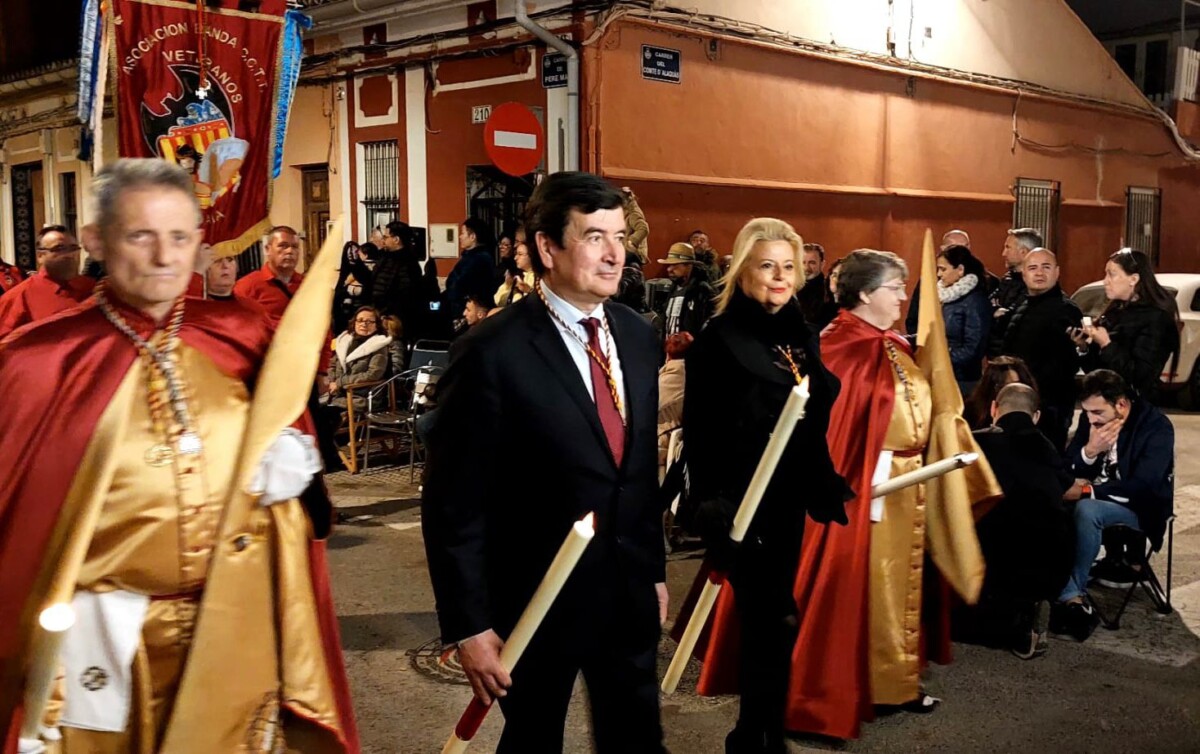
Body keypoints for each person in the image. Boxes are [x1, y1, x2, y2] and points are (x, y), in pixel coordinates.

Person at [0, 158, 357, 752]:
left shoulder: (240, 336)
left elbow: (300, 480)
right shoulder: (38, 360)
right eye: (142, 235)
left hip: (232, 620)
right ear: (98, 241)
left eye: (180, 237)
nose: (166, 257)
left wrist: (296, 477)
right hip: (100, 641)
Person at [422, 171, 667, 754]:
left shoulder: (637, 336)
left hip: (626, 592)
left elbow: (635, 472)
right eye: (593, 237)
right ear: (547, 247)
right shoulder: (491, 350)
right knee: (533, 743)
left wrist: (653, 569)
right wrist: (470, 625)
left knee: (637, 740)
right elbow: (454, 501)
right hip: (534, 599)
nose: (614, 255)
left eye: (618, 236)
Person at [785, 249, 995, 739]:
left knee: (902, 588)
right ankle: (836, 689)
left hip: (909, 487)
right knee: (862, 586)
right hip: (866, 491)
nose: (905, 296)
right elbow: (835, 433)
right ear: (864, 294)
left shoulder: (891, 343)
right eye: (894, 288)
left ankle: (894, 681)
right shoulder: (839, 347)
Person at [678, 218, 850, 754]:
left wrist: (821, 478)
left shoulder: (798, 330)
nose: (779, 277)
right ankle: (757, 736)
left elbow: (812, 414)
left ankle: (759, 730)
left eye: (788, 267)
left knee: (773, 621)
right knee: (771, 618)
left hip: (785, 499)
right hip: (740, 502)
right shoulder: (720, 340)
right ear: (743, 270)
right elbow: (700, 429)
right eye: (766, 265)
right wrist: (711, 504)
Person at [1053, 369, 1174, 641]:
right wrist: (1090, 451)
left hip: (1139, 507)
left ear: (1121, 404)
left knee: (1086, 509)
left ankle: (1073, 591)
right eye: (1086, 413)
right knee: (1049, 503)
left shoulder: (1155, 427)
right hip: (1098, 494)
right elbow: (1066, 466)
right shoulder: (1092, 423)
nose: (1090, 420)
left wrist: (1088, 490)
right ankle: (1062, 589)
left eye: (1097, 413)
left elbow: (1146, 486)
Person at [967, 383, 1074, 659]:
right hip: (1046, 562)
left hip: (987, 561)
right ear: (1036, 416)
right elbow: (1066, 488)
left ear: (993, 409)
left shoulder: (976, 443)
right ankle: (1029, 618)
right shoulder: (1047, 448)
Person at [1072, 249, 1180, 404]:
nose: (1105, 281)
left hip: (1133, 407)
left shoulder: (1156, 319)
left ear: (1133, 279)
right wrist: (1084, 347)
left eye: (1112, 274)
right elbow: (1097, 373)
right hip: (1102, 404)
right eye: (1106, 274)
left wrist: (1106, 344)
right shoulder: (1114, 312)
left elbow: (1140, 376)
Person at [998, 248, 1082, 449]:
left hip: (1051, 406)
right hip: (1016, 400)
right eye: (1033, 268)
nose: (1039, 273)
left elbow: (1066, 363)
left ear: (1057, 272)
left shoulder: (1067, 310)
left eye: (1046, 267)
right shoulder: (1020, 307)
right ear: (1024, 274)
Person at [0, 225, 95, 337]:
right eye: (59, 249)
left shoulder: (94, 289)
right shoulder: (18, 298)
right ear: (40, 256)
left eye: (73, 248)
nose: (69, 255)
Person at [933, 244, 990, 393]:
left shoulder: (975, 301)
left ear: (960, 270)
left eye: (943, 269)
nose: (939, 274)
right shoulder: (945, 297)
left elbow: (974, 349)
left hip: (963, 380)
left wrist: (940, 358)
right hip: (943, 374)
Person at [987, 227, 1042, 357]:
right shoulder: (1007, 279)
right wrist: (993, 310)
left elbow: (1008, 318)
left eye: (1008, 248)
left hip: (1016, 358)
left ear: (1023, 252)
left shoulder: (1033, 286)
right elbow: (987, 304)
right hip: (996, 354)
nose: (1003, 253)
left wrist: (997, 313)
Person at [370, 220, 425, 337]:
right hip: (377, 313)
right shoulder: (384, 258)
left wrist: (387, 314)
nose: (383, 240)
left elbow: (406, 293)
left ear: (396, 239)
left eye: (386, 237)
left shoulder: (408, 263)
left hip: (394, 320)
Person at [962, 355, 1038, 430]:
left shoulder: (1036, 416)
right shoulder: (969, 414)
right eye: (1003, 386)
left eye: (1015, 384)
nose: (1010, 391)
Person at [659, 242, 715, 340]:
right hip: (670, 352)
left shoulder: (702, 290)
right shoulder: (673, 289)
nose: (669, 269)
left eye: (675, 265)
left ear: (689, 266)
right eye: (669, 265)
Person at [443, 217, 496, 320]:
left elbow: (459, 286)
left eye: (463, 233)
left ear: (472, 236)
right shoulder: (470, 257)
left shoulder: (479, 259)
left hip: (469, 313)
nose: (460, 237)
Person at [332, 241, 376, 333]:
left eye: (355, 253)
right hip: (344, 317)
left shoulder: (365, 271)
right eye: (349, 255)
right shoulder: (343, 274)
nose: (352, 257)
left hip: (362, 314)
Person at [493, 241, 535, 307]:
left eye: (520, 254)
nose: (515, 258)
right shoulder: (516, 275)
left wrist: (528, 291)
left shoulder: (540, 277)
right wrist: (507, 285)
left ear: (531, 256)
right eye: (515, 254)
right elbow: (498, 301)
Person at [796, 242, 828, 323]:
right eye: (803, 262)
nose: (806, 268)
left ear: (822, 264)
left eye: (812, 263)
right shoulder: (789, 288)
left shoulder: (828, 291)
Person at [622, 186, 650, 262]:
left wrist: (631, 242)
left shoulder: (633, 212)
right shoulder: (626, 211)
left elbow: (643, 228)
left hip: (633, 255)